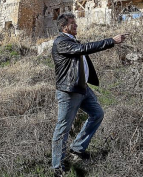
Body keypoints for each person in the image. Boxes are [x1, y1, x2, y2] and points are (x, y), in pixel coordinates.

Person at [51, 12, 128, 176]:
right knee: (63, 128)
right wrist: (111, 41)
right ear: (65, 27)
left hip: (83, 88)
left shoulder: (71, 41)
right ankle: (57, 165)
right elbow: (83, 49)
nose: (76, 25)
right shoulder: (61, 42)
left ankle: (77, 148)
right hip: (69, 91)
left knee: (97, 113)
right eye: (73, 23)